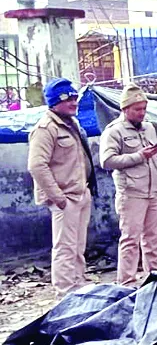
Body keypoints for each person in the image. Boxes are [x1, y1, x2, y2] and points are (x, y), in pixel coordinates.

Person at [28, 78, 94, 297]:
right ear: (55, 103)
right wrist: (59, 198)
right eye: (68, 100)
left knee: (78, 246)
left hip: (81, 193)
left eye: (75, 98)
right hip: (65, 197)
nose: (74, 103)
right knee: (65, 248)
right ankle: (65, 292)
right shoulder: (46, 128)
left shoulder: (71, 123)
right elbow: (37, 166)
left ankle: (79, 285)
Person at [99, 84, 157, 287]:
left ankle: (155, 276)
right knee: (130, 238)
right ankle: (126, 281)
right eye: (137, 109)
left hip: (154, 190)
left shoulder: (149, 127)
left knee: (153, 237)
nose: (142, 113)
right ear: (125, 109)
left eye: (144, 109)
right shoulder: (114, 131)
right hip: (131, 192)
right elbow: (107, 161)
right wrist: (138, 156)